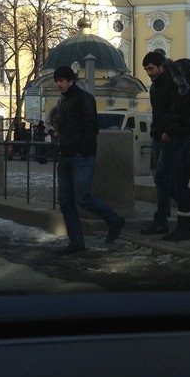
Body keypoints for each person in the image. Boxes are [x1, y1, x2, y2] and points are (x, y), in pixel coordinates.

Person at [51, 65, 125, 255]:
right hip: (66, 155)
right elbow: (62, 128)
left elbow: (91, 127)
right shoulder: (62, 102)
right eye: (56, 80)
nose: (58, 84)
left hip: (81, 156)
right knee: (65, 201)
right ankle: (76, 242)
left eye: (61, 80)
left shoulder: (85, 98)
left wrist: (83, 149)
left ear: (71, 81)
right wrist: (60, 146)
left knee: (82, 197)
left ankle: (114, 220)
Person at [161, 58, 190, 241]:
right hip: (179, 141)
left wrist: (177, 124)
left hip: (188, 143)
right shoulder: (179, 93)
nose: (172, 78)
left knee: (178, 183)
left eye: (175, 74)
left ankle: (184, 226)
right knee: (174, 183)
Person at [140, 50, 177, 236]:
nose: (149, 73)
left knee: (162, 177)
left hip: (168, 137)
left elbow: (176, 110)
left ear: (161, 66)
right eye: (146, 70)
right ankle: (164, 217)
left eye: (151, 69)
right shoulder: (154, 87)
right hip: (158, 135)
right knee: (163, 179)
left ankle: (162, 219)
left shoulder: (172, 84)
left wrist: (168, 131)